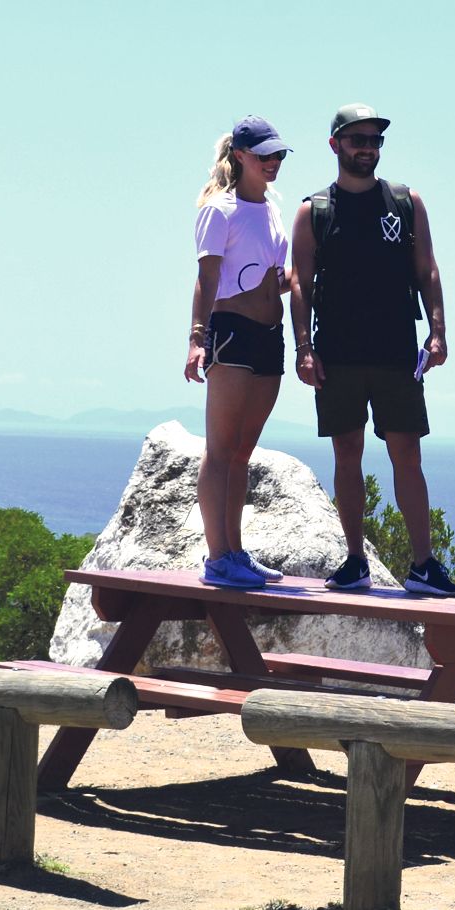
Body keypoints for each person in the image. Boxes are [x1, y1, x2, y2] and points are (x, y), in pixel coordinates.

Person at [289, 103, 455, 597]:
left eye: (375, 140)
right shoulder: (314, 210)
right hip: (337, 352)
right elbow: (300, 282)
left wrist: (438, 332)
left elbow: (427, 269)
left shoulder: (406, 202)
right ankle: (354, 561)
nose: (368, 148)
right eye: (357, 139)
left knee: (407, 454)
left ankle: (424, 565)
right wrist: (304, 348)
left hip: (394, 351)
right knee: (348, 454)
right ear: (335, 145)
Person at [185, 116, 293, 590]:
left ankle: (236, 552)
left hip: (270, 336)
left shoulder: (270, 210)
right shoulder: (219, 210)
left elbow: (277, 277)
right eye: (264, 154)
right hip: (229, 332)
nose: (273, 162)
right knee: (221, 449)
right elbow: (207, 279)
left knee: (243, 452)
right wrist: (196, 337)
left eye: (278, 155)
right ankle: (217, 556)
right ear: (241, 156)